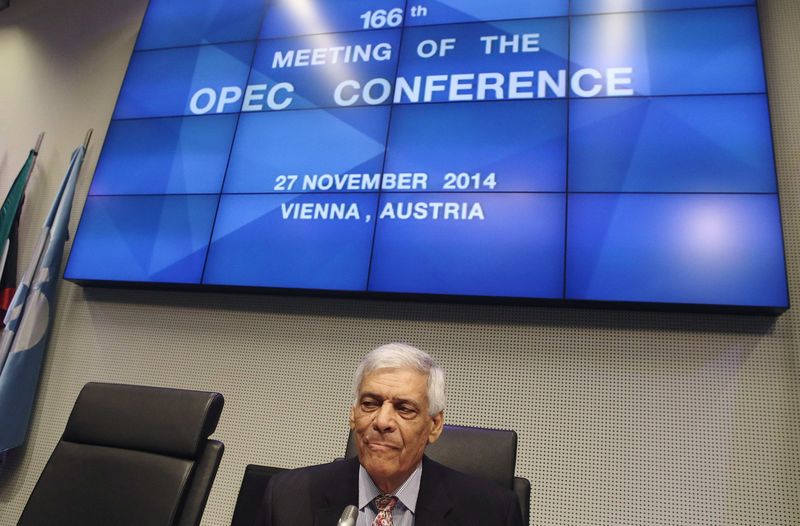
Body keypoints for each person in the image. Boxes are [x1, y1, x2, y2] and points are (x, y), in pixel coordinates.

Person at [257, 342, 524, 525]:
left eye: (404, 408)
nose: (382, 421)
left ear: (434, 425)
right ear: (353, 415)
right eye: (370, 404)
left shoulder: (492, 513)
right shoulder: (287, 499)